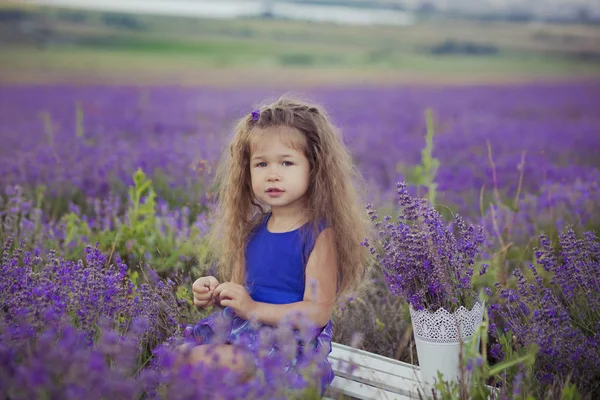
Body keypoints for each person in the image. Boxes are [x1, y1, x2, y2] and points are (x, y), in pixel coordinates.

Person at [182, 95, 370, 396]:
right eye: (261, 163)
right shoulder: (251, 231)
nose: (273, 173)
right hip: (244, 335)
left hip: (289, 349)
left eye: (286, 162)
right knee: (183, 358)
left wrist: (254, 308)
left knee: (218, 364)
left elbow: (316, 314)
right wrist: (216, 292)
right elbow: (242, 292)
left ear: (314, 167)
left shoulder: (319, 235)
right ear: (247, 171)